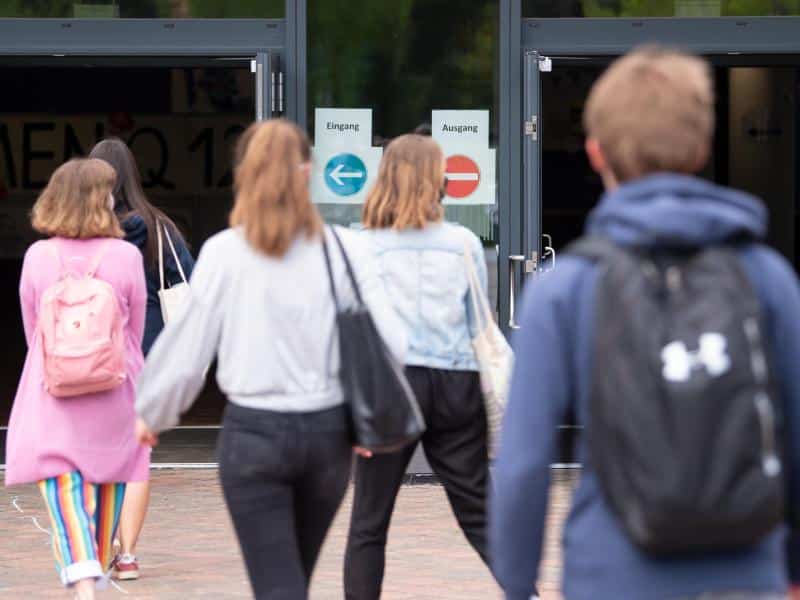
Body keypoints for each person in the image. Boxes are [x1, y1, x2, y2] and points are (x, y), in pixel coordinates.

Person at [490, 47, 800, 600]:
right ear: (703, 147)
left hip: (611, 572)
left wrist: (516, 584)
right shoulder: (768, 276)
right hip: (745, 574)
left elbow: (523, 464)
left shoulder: (565, 289)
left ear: (595, 151)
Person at [133, 119, 406, 599]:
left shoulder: (224, 253)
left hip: (253, 435)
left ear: (246, 175)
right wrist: (367, 416)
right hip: (327, 436)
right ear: (308, 174)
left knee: (277, 584)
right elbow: (392, 342)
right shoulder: (346, 250)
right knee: (292, 576)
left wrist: (154, 411)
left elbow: (189, 348)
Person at [344, 133, 496, 598]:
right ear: (437, 179)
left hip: (389, 384)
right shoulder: (464, 242)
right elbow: (477, 323)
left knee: (370, 520)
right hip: (456, 382)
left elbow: (352, 332)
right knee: (480, 509)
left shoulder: (360, 245)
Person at [4, 158, 150, 600]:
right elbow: (136, 329)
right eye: (107, 191)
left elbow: (34, 332)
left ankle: (82, 577)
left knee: (61, 478)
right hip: (115, 390)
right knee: (110, 478)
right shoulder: (125, 255)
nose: (112, 198)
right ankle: (91, 569)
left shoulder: (37, 256)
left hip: (55, 390)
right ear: (96, 200)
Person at [89, 137, 195, 581]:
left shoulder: (82, 229)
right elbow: (189, 281)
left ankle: (97, 546)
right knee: (135, 457)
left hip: (91, 354)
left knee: (91, 454)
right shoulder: (159, 228)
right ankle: (127, 553)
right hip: (148, 354)